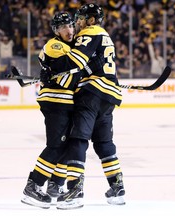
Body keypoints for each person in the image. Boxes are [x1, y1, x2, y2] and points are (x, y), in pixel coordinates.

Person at [21, 11, 103, 209]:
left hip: (65, 102)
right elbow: (68, 67)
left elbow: (75, 68)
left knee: (65, 147)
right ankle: (33, 185)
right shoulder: (55, 45)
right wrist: (90, 67)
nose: (69, 30)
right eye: (64, 27)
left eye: (71, 26)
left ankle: (54, 185)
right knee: (56, 146)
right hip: (55, 100)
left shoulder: (70, 46)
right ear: (56, 31)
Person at [48, 3, 125, 209]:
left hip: (91, 93)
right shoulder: (105, 35)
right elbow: (93, 64)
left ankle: (74, 190)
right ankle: (117, 187)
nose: (77, 23)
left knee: (78, 139)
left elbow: (75, 61)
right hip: (109, 94)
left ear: (91, 20)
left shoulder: (90, 33)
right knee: (103, 142)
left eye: (81, 19)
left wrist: (51, 69)